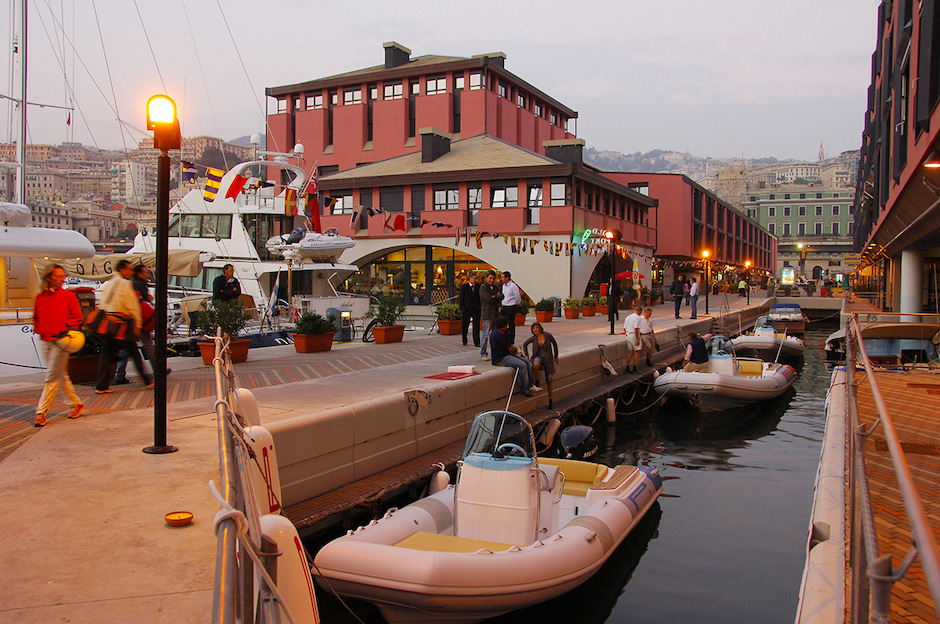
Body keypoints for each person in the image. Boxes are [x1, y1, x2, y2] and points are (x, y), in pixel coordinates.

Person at [31, 265, 85, 427]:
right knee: (60, 375)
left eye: (63, 276)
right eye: (58, 276)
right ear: (49, 277)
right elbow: (36, 317)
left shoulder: (68, 296)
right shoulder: (40, 297)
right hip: (45, 340)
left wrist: (64, 330)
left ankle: (41, 412)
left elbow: (77, 316)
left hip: (61, 341)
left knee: (52, 377)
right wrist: (40, 329)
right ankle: (76, 404)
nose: (62, 279)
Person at [95, 260, 152, 394]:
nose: (131, 272)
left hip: (107, 322)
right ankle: (147, 380)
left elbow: (102, 303)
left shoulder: (108, 283)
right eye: (129, 269)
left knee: (106, 354)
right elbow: (132, 304)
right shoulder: (125, 284)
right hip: (121, 324)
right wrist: (137, 323)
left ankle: (101, 385)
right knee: (132, 350)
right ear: (122, 269)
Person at [114, 265, 158, 385]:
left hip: (131, 320)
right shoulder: (132, 284)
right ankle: (156, 371)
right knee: (146, 346)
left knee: (129, 349)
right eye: (145, 273)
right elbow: (135, 303)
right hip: (137, 321)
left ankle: (120, 374)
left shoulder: (129, 283)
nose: (148, 275)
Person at [489, 315, 540, 397]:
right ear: (506, 325)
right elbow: (510, 348)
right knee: (523, 366)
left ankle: (531, 385)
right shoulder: (501, 334)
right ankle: (524, 389)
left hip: (506, 355)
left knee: (528, 363)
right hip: (501, 358)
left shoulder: (495, 331)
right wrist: (516, 349)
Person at [522, 322, 559, 408]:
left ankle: (550, 401)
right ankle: (537, 382)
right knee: (535, 364)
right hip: (538, 357)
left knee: (549, 382)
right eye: (533, 328)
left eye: (536, 328)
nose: (535, 330)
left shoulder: (547, 335)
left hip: (548, 360)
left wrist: (556, 356)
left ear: (540, 328)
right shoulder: (533, 338)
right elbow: (525, 344)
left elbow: (555, 344)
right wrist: (527, 355)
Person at [479, 270, 503, 361]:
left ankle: (496, 352)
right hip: (487, 313)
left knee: (496, 334)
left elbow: (501, 296)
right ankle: (483, 353)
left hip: (496, 313)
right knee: (486, 334)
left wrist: (495, 297)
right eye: (490, 278)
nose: (492, 280)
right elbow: (489, 299)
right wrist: (495, 297)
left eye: (493, 278)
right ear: (486, 278)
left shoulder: (496, 287)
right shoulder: (483, 288)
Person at [458, 272, 481, 347]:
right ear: (470, 279)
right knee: (465, 325)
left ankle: (476, 341)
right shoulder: (464, 287)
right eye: (474, 278)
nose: (475, 280)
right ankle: (464, 340)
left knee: (476, 326)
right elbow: (461, 298)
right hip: (466, 309)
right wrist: (462, 307)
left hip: (476, 309)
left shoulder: (479, 286)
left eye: (476, 278)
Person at [499, 271, 521, 343]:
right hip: (504, 306)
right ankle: (503, 338)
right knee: (501, 322)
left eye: (503, 277)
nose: (501, 279)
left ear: (507, 278)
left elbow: (517, 295)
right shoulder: (503, 286)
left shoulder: (513, 286)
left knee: (511, 324)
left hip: (511, 306)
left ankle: (511, 340)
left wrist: (518, 303)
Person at [622, 305, 643, 374]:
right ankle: (635, 367)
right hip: (634, 335)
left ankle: (627, 367)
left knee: (630, 352)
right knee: (637, 351)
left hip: (628, 335)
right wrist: (637, 339)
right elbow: (636, 328)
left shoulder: (628, 317)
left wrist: (627, 335)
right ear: (639, 311)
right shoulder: (638, 318)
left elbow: (624, 328)